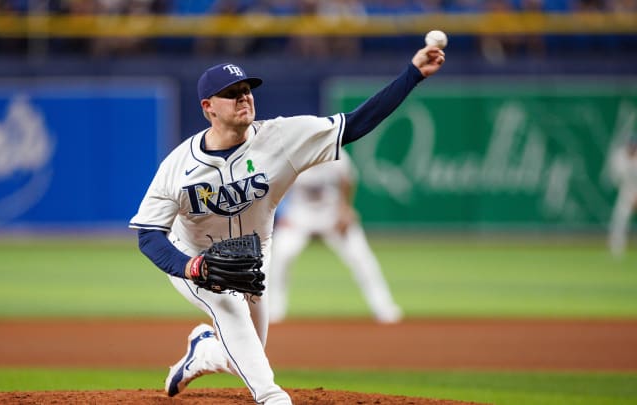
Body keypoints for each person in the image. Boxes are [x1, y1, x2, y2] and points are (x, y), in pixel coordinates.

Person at [128, 44, 445, 404]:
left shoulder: (282, 138)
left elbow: (356, 123)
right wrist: (192, 266)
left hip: (253, 262)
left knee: (244, 352)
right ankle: (271, 396)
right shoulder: (178, 166)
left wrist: (413, 74)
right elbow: (149, 234)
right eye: (231, 94)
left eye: (246, 90)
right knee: (228, 308)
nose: (243, 97)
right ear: (208, 108)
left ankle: (203, 353)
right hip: (195, 256)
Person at [268, 149, 403, 323]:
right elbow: (277, 184)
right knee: (280, 255)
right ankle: (275, 310)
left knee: (361, 257)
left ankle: (384, 308)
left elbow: (348, 179)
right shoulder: (295, 152)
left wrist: (345, 209)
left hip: (331, 214)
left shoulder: (335, 151)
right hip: (300, 215)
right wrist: (282, 214)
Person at [608, 136, 637, 259]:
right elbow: (618, 179)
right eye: (631, 146)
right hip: (626, 192)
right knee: (619, 221)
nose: (632, 148)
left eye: (634, 146)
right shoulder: (619, 157)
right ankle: (616, 252)